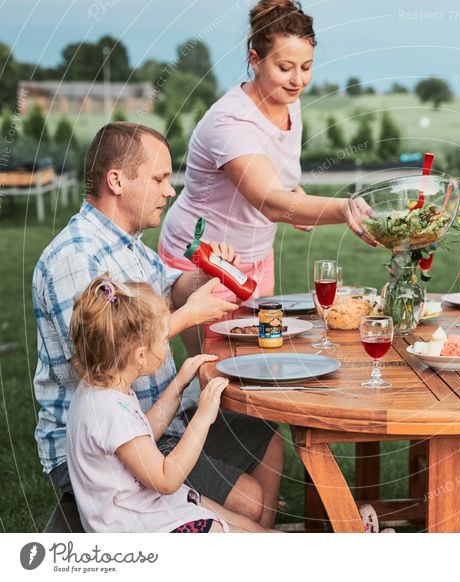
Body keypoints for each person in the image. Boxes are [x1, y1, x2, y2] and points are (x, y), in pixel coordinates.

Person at [32, 122, 284, 529]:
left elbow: (171, 288)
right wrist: (188, 317)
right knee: (248, 501)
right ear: (117, 180)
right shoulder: (76, 258)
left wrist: (207, 271)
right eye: (160, 178)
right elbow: (104, 349)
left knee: (264, 435)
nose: (170, 190)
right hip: (106, 443)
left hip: (155, 414)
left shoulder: (129, 244)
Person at [158, 0, 374, 354]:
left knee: (260, 357)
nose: (298, 80)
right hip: (205, 258)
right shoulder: (230, 123)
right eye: (285, 67)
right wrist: (341, 209)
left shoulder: (290, 101)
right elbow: (271, 202)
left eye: (306, 67)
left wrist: (299, 201)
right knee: (216, 368)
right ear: (255, 60)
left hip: (258, 256)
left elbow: (279, 182)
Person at [67, 276, 271, 533]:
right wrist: (203, 417)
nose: (168, 344)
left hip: (143, 510)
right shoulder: (110, 411)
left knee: (254, 531)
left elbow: (143, 434)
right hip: (139, 528)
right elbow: (165, 479)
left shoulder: (100, 391)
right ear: (140, 356)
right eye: (163, 339)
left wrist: (178, 385)